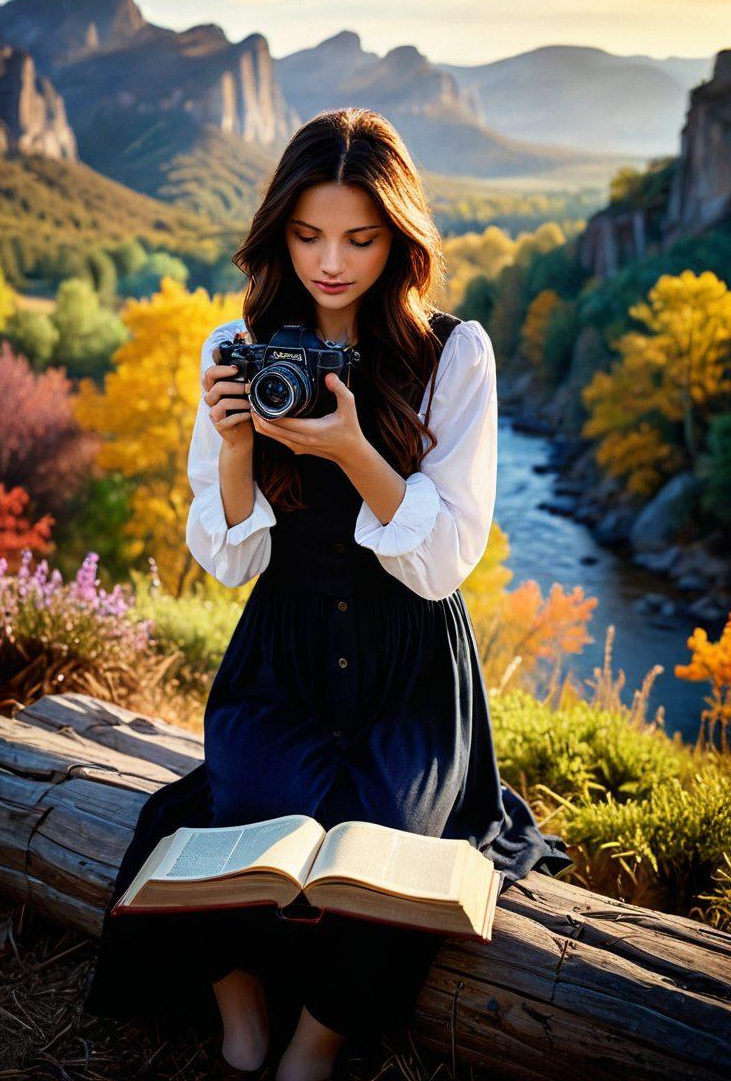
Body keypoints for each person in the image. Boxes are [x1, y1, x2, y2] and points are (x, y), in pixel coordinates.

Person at [83, 108, 574, 1081]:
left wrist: (354, 449)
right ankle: (238, 1002)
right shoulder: (238, 344)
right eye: (308, 235)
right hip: (286, 648)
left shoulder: (453, 353)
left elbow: (443, 564)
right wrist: (236, 450)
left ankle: (321, 1034)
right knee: (251, 814)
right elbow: (226, 563)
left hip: (410, 660)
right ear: (280, 231)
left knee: (380, 850)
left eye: (359, 236)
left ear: (398, 236)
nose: (332, 262)